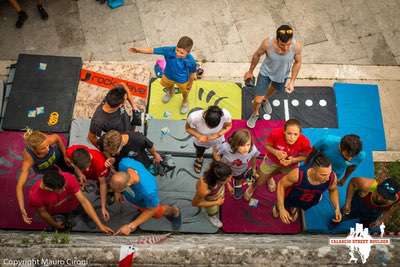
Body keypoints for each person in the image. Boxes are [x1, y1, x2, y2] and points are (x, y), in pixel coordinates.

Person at [245, 25, 302, 128]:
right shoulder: (267, 43)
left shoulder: (296, 46)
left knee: (273, 88)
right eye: (282, 45)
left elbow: (298, 62)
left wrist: (292, 81)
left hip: (282, 75)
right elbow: (257, 55)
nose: (285, 48)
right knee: (257, 100)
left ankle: (265, 99)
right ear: (277, 39)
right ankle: (255, 113)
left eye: (288, 45)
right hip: (265, 73)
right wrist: (250, 71)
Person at [110, 157, 181, 235]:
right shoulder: (123, 163)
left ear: (128, 185)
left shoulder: (148, 192)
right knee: (142, 209)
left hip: (147, 203)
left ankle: (174, 211)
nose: (116, 192)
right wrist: (118, 192)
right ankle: (140, 215)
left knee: (157, 213)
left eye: (120, 190)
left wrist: (131, 226)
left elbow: (152, 209)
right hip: (137, 199)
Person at [28, 170, 114, 234]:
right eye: (61, 189)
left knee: (83, 210)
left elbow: (84, 201)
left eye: (64, 186)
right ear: (49, 189)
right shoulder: (35, 196)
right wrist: (54, 224)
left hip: (76, 204)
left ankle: (88, 219)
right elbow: (43, 213)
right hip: (58, 213)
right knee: (63, 227)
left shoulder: (68, 177)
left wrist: (100, 225)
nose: (64, 189)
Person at [245, 119, 311, 200]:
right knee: (259, 179)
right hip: (271, 160)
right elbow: (267, 146)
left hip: (290, 165)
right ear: (284, 131)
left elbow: (306, 156)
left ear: (300, 134)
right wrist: (276, 152)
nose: (292, 137)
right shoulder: (275, 134)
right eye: (289, 133)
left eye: (295, 134)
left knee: (286, 177)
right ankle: (252, 187)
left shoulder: (305, 142)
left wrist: (293, 160)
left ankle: (270, 178)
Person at [128, 36, 197, 114]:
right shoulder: (169, 50)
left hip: (182, 80)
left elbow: (192, 73)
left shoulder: (191, 60)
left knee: (185, 92)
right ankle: (171, 93)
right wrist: (139, 50)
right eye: (177, 50)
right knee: (168, 86)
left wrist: (190, 84)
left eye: (182, 53)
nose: (177, 54)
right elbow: (153, 50)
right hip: (168, 75)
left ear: (188, 52)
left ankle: (185, 101)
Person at [17, 129, 72, 224]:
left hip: (57, 157)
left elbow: (58, 138)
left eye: (47, 146)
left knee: (69, 169)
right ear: (35, 150)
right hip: (46, 169)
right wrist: (22, 209)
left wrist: (65, 155)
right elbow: (19, 186)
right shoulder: (28, 159)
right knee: (54, 183)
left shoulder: (48, 140)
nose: (47, 149)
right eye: (42, 148)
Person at [274, 153, 342, 224]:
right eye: (323, 175)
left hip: (310, 199)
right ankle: (277, 207)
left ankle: (295, 208)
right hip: (292, 196)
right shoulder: (297, 174)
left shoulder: (332, 177)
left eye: (329, 173)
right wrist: (281, 208)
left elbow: (333, 190)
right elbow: (281, 185)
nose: (328, 178)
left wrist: (337, 208)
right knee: (284, 205)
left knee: (302, 206)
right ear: (313, 170)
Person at [66, 145, 111, 221]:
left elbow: (103, 184)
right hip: (88, 174)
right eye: (84, 168)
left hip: (100, 174)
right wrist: (80, 174)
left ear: (90, 159)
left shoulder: (100, 163)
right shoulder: (70, 151)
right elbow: (71, 162)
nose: (87, 169)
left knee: (104, 182)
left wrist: (103, 207)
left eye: (88, 166)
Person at [213, 129, 260, 199]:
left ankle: (244, 178)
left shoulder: (252, 150)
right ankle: (237, 184)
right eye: (242, 145)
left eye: (248, 144)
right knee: (237, 179)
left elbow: (254, 157)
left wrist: (253, 169)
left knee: (252, 177)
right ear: (235, 143)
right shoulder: (225, 147)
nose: (246, 148)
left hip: (242, 169)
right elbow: (215, 152)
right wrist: (219, 163)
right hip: (228, 170)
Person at [88, 84, 138, 148]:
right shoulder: (98, 121)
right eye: (125, 99)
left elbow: (122, 85)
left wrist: (134, 106)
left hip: (128, 125)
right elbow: (91, 137)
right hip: (119, 139)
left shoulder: (112, 96)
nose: (127, 98)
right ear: (120, 105)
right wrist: (103, 149)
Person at [186, 106, 232, 174]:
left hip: (217, 140)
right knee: (200, 151)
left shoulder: (226, 115)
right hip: (200, 142)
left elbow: (228, 126)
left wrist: (217, 135)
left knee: (217, 154)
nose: (210, 129)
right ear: (204, 117)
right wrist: (199, 136)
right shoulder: (194, 117)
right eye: (208, 126)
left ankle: (215, 160)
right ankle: (199, 159)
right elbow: (187, 128)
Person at [192, 161, 233, 228]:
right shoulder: (204, 190)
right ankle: (212, 216)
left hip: (216, 193)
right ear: (217, 180)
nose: (230, 180)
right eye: (227, 179)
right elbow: (195, 203)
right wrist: (216, 202)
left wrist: (228, 185)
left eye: (230, 176)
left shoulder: (215, 170)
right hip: (209, 199)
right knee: (212, 210)